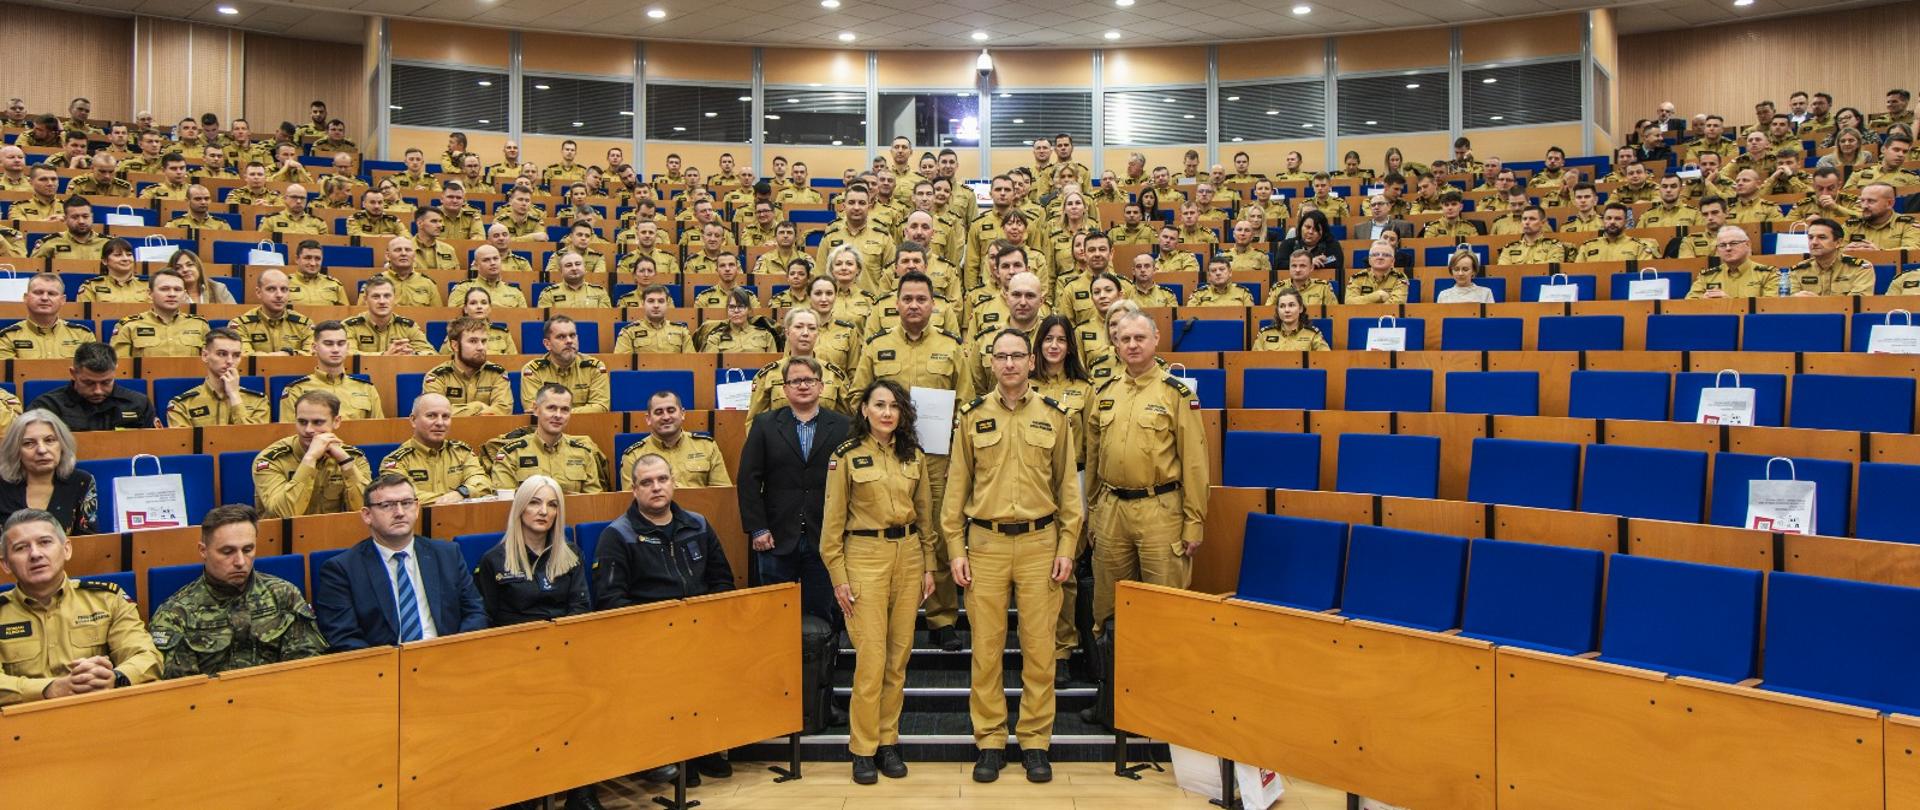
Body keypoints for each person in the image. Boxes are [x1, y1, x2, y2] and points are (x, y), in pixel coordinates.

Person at [943, 328, 1082, 784]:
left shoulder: (1055, 416)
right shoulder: (971, 416)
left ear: (1031, 360)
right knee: (986, 649)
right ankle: (989, 740)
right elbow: (955, 489)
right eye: (1000, 356)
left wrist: (1066, 546)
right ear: (990, 363)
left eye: (1017, 356)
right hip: (985, 544)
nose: (1008, 364)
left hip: (1042, 544)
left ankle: (1036, 741)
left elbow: (1068, 491)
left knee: (1040, 648)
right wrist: (955, 548)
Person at [593, 453, 736, 783]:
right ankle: (670, 753)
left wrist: (711, 622)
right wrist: (652, 632)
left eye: (662, 480)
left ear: (673, 482)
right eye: (646, 482)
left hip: (699, 630)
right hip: (647, 637)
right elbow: (612, 601)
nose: (656, 488)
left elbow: (722, 580)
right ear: (634, 489)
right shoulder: (618, 535)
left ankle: (704, 746)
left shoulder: (698, 524)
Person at [820, 380, 935, 785]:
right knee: (871, 660)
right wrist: (839, 578)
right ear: (864, 410)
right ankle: (863, 748)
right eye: (879, 405)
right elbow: (831, 528)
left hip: (908, 556)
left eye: (894, 406)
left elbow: (925, 516)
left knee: (898, 658)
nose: (887, 413)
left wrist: (928, 566)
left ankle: (888, 741)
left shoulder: (914, 456)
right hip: (863, 558)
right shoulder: (845, 457)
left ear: (903, 413)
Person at [471, 475, 606, 806]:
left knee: (588, 699)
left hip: (563, 654)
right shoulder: (495, 560)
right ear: (519, 508)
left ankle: (581, 791)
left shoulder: (570, 554)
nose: (543, 511)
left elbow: (579, 609)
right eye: (535, 502)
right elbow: (487, 620)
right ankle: (525, 791)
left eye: (552, 504)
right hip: (514, 660)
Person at [1084, 310, 1207, 641]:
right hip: (1111, 510)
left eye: (1140, 338)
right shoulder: (1105, 392)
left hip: (1161, 511)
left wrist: (1194, 521)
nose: (1132, 345)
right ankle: (1111, 686)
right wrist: (1093, 514)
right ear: (1115, 344)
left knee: (1165, 608)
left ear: (1155, 340)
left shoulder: (1176, 393)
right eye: (1125, 339)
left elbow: (1195, 463)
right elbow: (1094, 459)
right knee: (1107, 610)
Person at [0, 509, 160, 704]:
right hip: (21, 727)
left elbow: (147, 656)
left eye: (45, 542)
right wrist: (50, 688)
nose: (35, 554)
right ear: (6, 564)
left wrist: (115, 678)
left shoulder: (108, 599)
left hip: (101, 714)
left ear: (66, 549)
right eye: (21, 548)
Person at [148, 504, 327, 678]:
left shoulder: (284, 595)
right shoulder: (176, 614)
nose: (240, 561)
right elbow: (183, 691)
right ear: (203, 551)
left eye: (248, 549)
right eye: (227, 552)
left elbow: (307, 666)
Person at [737, 355, 853, 623]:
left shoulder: (843, 427)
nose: (803, 385)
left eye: (809, 380)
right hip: (774, 537)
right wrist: (758, 528)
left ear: (821, 386)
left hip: (825, 537)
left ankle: (822, 664)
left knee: (823, 616)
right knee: (773, 617)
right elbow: (749, 479)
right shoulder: (765, 424)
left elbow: (852, 483)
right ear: (785, 388)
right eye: (795, 381)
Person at [314, 474, 488, 651]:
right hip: (383, 669)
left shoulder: (447, 554)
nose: (399, 513)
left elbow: (475, 611)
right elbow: (343, 637)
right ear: (367, 515)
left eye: (406, 503)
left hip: (447, 659)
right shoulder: (342, 569)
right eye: (387, 505)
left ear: (417, 508)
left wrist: (457, 653)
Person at [255, 391, 374, 518]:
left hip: (335, 532)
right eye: (302, 422)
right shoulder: (271, 460)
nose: (308, 430)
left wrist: (346, 462)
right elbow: (284, 514)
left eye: (318, 422)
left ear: (336, 421)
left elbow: (368, 512)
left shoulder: (353, 457)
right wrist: (310, 458)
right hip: (285, 535)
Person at [488, 384, 608, 496]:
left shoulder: (584, 452)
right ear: (536, 409)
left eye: (565, 409)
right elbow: (505, 503)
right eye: (551, 408)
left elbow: (592, 503)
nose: (558, 415)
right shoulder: (511, 454)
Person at [380, 394, 490, 506]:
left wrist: (461, 493)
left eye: (446, 416)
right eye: (431, 416)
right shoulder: (396, 462)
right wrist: (455, 497)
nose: (440, 423)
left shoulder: (462, 452)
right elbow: (403, 497)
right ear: (413, 420)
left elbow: (483, 482)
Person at [0, 411, 96, 536]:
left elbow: (88, 540)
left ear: (62, 445)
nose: (42, 450)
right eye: (29, 443)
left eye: (49, 440)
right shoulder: (2, 485)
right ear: (15, 451)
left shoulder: (81, 481)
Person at [28, 342, 156, 432]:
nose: (98, 391)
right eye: (88, 383)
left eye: (106, 382)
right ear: (73, 373)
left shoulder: (139, 403)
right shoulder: (47, 407)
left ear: (115, 371)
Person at [618, 391, 731, 490]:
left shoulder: (707, 447)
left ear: (682, 414)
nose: (666, 417)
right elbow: (631, 502)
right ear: (648, 419)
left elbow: (721, 496)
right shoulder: (633, 456)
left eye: (671, 410)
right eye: (659, 412)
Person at [749, 310, 850, 416]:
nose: (805, 333)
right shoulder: (768, 375)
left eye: (811, 328)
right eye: (798, 327)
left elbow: (848, 423)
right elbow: (755, 423)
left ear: (818, 334)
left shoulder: (834, 375)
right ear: (787, 332)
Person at [280, 321, 386, 421]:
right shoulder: (296, 390)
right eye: (328, 344)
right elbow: (289, 434)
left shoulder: (367, 389)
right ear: (314, 348)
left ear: (347, 347)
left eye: (341, 344)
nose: (335, 349)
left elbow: (378, 432)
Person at [166, 328, 269, 426]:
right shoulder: (181, 405)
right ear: (205, 356)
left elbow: (254, 440)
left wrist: (234, 395)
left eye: (236, 355)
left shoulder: (259, 402)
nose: (230, 361)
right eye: (222, 354)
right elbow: (183, 444)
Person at [108, 269, 210, 359]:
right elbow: (120, 368)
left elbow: (210, 363)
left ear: (184, 295)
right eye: (164, 289)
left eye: (177, 289)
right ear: (149, 294)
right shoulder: (129, 326)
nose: (172, 294)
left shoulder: (200, 325)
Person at [423, 317, 513, 416]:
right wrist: (478, 407)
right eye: (473, 341)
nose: (481, 347)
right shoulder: (438, 377)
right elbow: (437, 413)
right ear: (455, 346)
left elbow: (503, 411)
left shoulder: (497, 373)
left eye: (483, 341)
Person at [521, 316, 610, 413]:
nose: (569, 341)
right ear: (547, 344)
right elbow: (535, 410)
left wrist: (556, 412)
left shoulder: (594, 368)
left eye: (572, 335)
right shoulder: (533, 371)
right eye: (561, 337)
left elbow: (601, 408)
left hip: (586, 426)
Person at [0, 273, 97, 360]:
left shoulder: (83, 335)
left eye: (51, 293)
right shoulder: (8, 337)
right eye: (38, 292)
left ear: (63, 300)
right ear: (26, 297)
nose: (44, 298)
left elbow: (92, 374)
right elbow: (11, 375)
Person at [1784, 217, 1877, 296]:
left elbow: (1856, 304)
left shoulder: (1861, 268)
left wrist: (1816, 303)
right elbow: (1789, 305)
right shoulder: (1797, 271)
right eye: (1811, 237)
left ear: (1838, 242)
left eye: (1822, 237)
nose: (1814, 242)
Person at [231, 269, 315, 355]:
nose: (279, 295)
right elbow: (244, 356)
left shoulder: (305, 324)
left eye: (284, 289)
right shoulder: (240, 325)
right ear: (258, 292)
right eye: (271, 289)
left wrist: (289, 354)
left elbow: (312, 355)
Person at [343, 276, 432, 356]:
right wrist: (384, 355)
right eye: (376, 296)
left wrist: (412, 354)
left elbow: (430, 353)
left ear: (394, 298)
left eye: (387, 296)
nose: (382, 301)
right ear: (366, 300)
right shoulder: (350, 326)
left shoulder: (408, 327)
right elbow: (348, 353)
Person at [1687, 226, 1779, 299]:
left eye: (1733, 243)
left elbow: (1770, 307)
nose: (1728, 248)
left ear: (1747, 244)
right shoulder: (1707, 277)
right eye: (1722, 245)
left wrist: (1729, 303)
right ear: (1717, 250)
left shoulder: (1768, 274)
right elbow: (1689, 305)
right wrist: (1704, 302)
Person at [613, 284, 694, 354]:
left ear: (667, 304)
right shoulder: (628, 332)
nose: (656, 305)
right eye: (651, 301)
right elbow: (622, 366)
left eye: (661, 301)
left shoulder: (682, 331)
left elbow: (691, 362)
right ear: (643, 303)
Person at [697, 288, 777, 353]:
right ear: (727, 310)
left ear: (749, 310)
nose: (736, 311)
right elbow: (711, 366)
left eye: (741, 306)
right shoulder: (715, 337)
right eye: (732, 307)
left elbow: (773, 366)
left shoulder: (766, 335)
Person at [1255, 288, 1330, 351]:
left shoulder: (1312, 335)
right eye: (1282, 306)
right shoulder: (1264, 334)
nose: (1287, 310)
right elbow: (1254, 363)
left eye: (1291, 305)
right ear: (1277, 310)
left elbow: (1326, 360)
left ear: (1300, 308)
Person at [1344, 241, 1410, 305]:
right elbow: (1349, 302)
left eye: (1385, 255)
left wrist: (1365, 302)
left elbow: (1397, 304)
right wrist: (1378, 295)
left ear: (1392, 261)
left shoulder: (1400, 278)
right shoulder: (1358, 278)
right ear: (1369, 260)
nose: (1380, 257)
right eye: (1375, 254)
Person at [1277, 209, 1342, 273]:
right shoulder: (1288, 244)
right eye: (1307, 227)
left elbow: (1336, 263)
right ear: (1300, 227)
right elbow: (1279, 265)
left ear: (1323, 232)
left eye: (1316, 229)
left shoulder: (1332, 245)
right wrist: (1309, 262)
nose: (1310, 232)